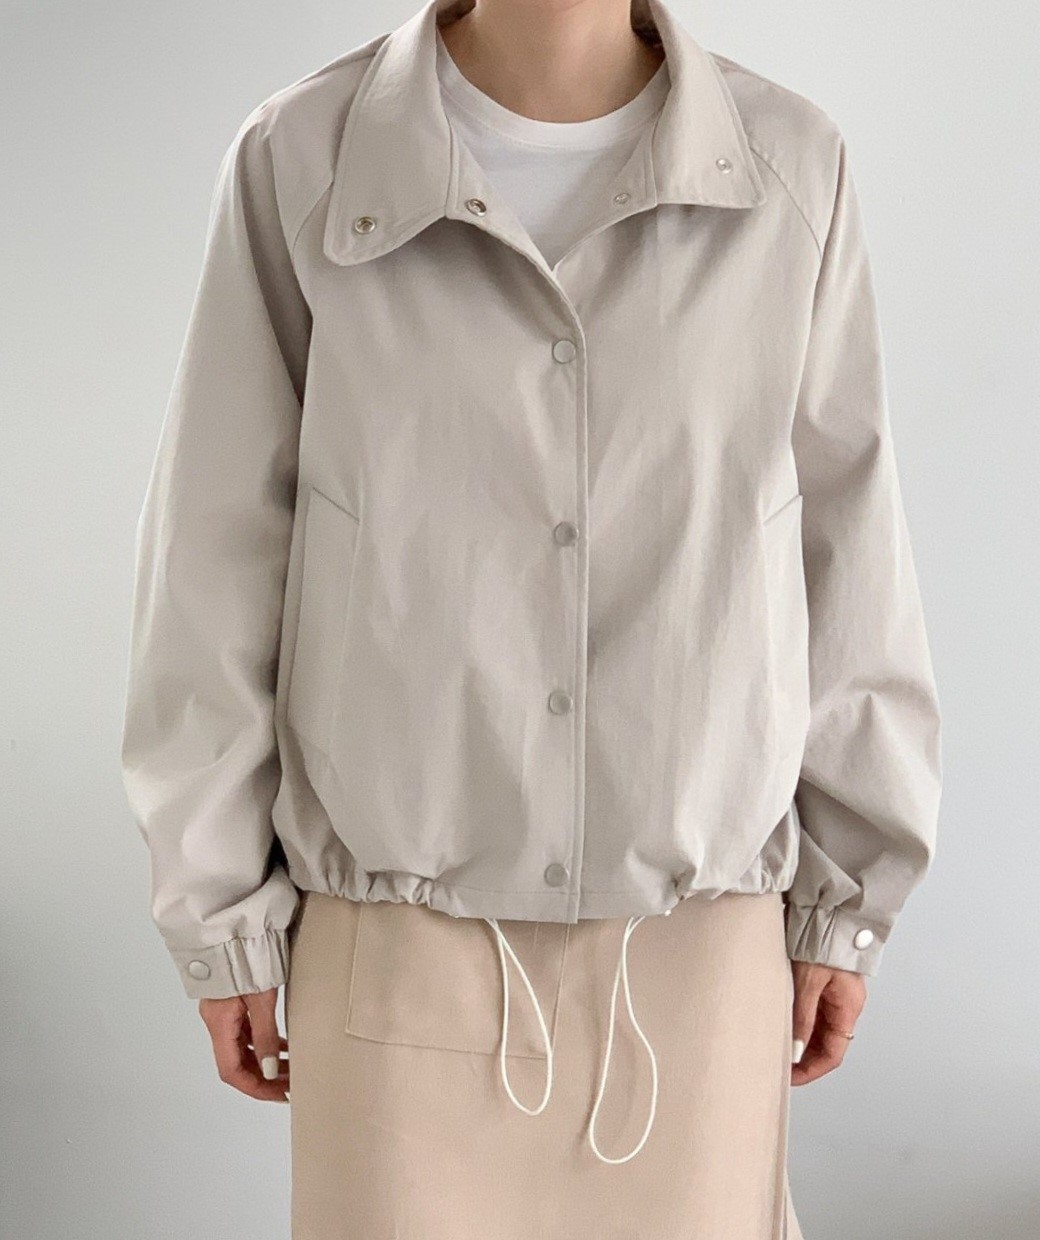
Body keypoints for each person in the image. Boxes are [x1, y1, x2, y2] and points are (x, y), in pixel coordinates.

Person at [119, 0, 943, 1235]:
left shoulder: (787, 166)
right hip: (393, 957)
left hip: (696, 961)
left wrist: (850, 897)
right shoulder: (301, 155)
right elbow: (217, 551)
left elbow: (846, 543)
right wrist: (218, 914)